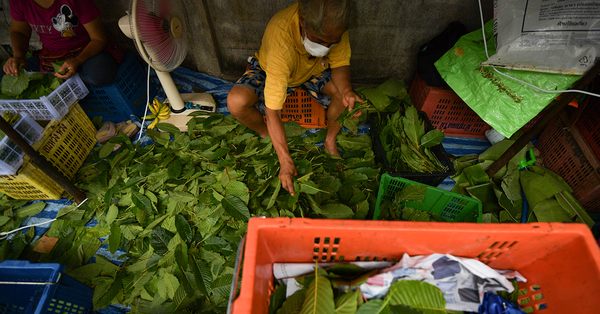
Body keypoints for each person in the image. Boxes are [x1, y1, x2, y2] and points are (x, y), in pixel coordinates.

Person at [227, 0, 363, 197]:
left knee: (343, 97)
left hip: (313, 70)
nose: (325, 47)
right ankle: (267, 134)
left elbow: (340, 65)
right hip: (271, 71)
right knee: (235, 102)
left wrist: (347, 91)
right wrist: (286, 161)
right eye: (319, 40)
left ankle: (330, 142)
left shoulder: (336, 23)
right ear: (302, 21)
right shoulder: (280, 40)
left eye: (331, 44)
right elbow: (272, 109)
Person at [2, 0, 122, 86]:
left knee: (97, 75)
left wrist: (77, 61)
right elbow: (19, 32)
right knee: (6, 75)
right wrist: (18, 56)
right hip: (52, 57)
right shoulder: (19, 2)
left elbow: (99, 39)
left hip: (87, 52)